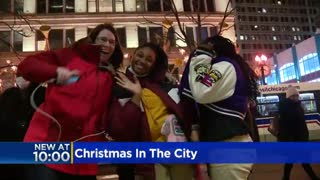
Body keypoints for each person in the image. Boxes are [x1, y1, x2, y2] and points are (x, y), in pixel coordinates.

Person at [17, 23, 123, 180]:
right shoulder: (69, 56)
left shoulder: (111, 77)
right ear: (92, 41)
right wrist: (55, 71)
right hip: (46, 146)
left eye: (112, 42)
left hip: (82, 159)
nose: (107, 44)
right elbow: (27, 66)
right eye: (102, 39)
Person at [106, 43, 193, 180]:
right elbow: (120, 129)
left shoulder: (163, 84)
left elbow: (181, 112)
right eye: (140, 55)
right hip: (141, 160)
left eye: (149, 59)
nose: (142, 61)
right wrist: (136, 95)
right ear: (133, 55)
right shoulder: (120, 83)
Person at [179, 35, 259, 180]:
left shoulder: (225, 66)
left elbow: (201, 91)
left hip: (229, 150)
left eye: (204, 47)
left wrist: (201, 57)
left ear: (212, 49)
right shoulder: (227, 66)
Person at [278, 86, 319, 180]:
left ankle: (285, 178)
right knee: (302, 161)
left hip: (299, 139)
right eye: (293, 96)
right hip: (294, 140)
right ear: (289, 97)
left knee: (292, 161)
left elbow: (301, 125)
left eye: (297, 95)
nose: (296, 97)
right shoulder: (287, 108)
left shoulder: (297, 107)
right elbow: (288, 127)